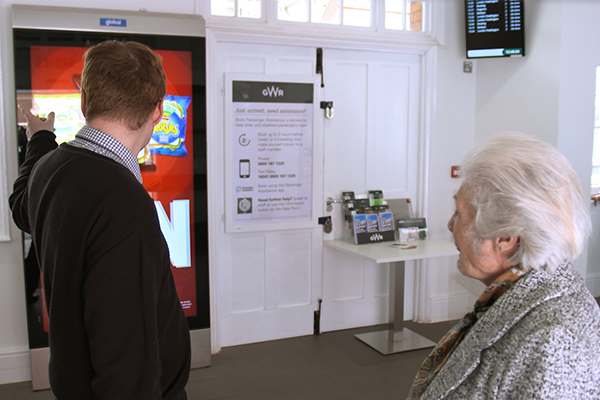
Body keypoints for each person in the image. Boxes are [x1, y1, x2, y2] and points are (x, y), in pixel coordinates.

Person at [9, 40, 190, 400]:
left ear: (84, 101)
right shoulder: (124, 203)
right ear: (158, 111)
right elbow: (126, 363)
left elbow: (21, 206)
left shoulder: (51, 167)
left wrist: (40, 139)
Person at [407, 132, 600, 399]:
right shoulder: (519, 295)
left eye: (460, 214)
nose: (451, 225)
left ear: (506, 237)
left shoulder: (552, 339)